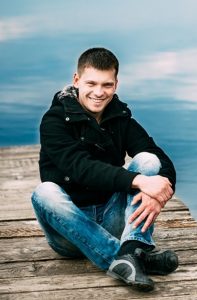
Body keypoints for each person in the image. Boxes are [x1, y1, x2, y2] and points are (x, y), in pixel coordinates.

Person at [31, 47, 178, 292]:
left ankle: (130, 251)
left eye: (107, 85)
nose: (99, 92)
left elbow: (161, 160)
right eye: (91, 83)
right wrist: (140, 181)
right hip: (69, 232)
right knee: (44, 192)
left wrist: (160, 192)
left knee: (150, 161)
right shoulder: (54, 121)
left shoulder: (120, 118)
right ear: (76, 80)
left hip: (113, 219)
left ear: (116, 84)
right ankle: (134, 256)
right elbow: (82, 168)